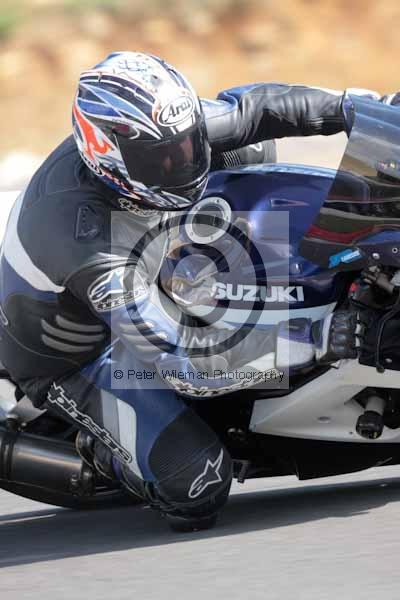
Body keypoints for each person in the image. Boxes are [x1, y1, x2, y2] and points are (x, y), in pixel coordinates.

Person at [0, 51, 363, 531]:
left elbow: (257, 109)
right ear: (108, 155)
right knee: (198, 484)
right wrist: (319, 337)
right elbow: (185, 362)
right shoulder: (81, 241)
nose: (184, 164)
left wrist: (361, 107)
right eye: (163, 159)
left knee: (249, 151)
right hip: (82, 355)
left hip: (146, 261)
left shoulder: (162, 134)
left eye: (189, 144)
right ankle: (102, 450)